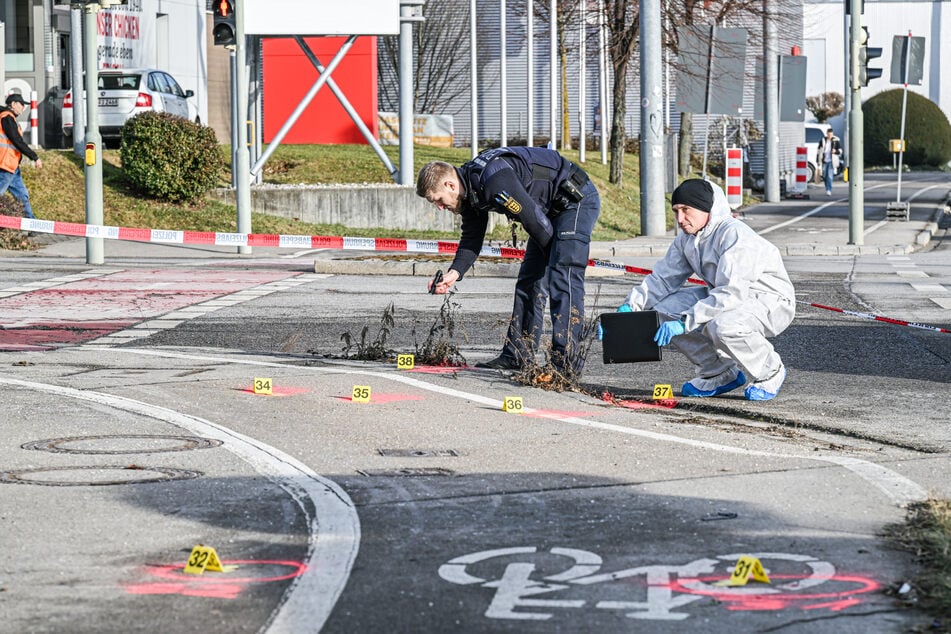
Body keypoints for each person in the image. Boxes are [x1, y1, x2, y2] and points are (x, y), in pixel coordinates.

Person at [416, 146, 600, 375]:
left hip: (575, 201)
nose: (440, 207)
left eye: (439, 200)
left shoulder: (494, 179)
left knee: (563, 275)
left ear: (450, 185)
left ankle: (566, 365)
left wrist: (560, 258)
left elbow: (533, 220)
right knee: (530, 281)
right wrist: (453, 274)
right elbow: (472, 238)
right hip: (546, 212)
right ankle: (518, 355)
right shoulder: (472, 189)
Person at [618, 179, 795, 401]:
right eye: (676, 211)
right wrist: (629, 307)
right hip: (725, 294)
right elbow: (663, 279)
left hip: (769, 300)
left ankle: (770, 370)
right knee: (663, 311)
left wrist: (685, 322)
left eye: (686, 210)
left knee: (722, 325)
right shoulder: (687, 239)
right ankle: (719, 372)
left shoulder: (734, 235)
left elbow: (732, 292)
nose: (680, 219)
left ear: (705, 208)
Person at [0, 93, 42, 219]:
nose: (23, 108)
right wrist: (34, 157)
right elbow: (17, 141)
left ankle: (32, 225)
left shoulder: (9, 118)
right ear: (13, 104)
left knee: (22, 196)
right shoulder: (7, 118)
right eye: (21, 104)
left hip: (12, 167)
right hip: (5, 166)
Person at [816, 127, 841, 196]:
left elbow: (840, 151)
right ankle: (827, 187)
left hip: (831, 161)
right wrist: (818, 161)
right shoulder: (823, 140)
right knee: (824, 175)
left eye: (831, 134)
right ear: (827, 134)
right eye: (828, 134)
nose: (830, 136)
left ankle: (828, 190)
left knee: (830, 176)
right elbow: (818, 151)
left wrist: (835, 151)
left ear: (832, 134)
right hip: (824, 160)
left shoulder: (836, 141)